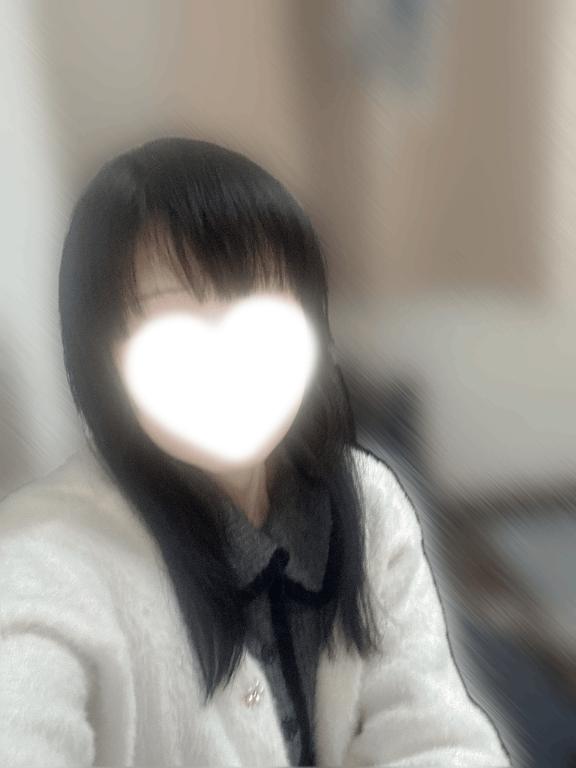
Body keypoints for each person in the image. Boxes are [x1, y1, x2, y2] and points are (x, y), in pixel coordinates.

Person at [0, 137, 510, 767]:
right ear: (104, 359)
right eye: (172, 323)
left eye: (263, 308)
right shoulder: (43, 560)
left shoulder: (365, 500)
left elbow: (436, 736)